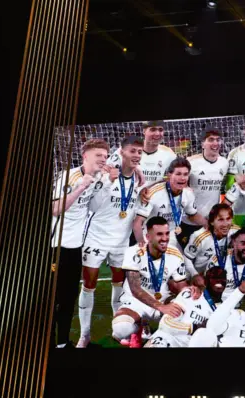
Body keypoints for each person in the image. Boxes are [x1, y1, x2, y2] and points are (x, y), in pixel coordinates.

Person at [76, 135, 145, 348]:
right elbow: (92, 207)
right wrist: (108, 182)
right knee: (89, 285)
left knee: (118, 285)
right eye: (132, 151)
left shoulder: (140, 181)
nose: (136, 155)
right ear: (121, 152)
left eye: (139, 152)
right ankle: (84, 335)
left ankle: (118, 329)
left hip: (121, 242)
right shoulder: (105, 174)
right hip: (96, 237)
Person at [51, 139, 110, 348]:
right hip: (56, 248)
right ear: (85, 156)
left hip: (75, 247)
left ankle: (63, 343)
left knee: (69, 298)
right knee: (53, 300)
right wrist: (80, 187)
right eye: (98, 155)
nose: (103, 159)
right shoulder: (69, 176)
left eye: (105, 156)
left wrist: (103, 185)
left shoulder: (97, 178)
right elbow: (56, 209)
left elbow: (93, 207)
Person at [112, 217, 196, 346]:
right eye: (159, 234)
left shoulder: (175, 254)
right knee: (121, 329)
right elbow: (136, 290)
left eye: (167, 233)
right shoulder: (133, 253)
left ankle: (156, 338)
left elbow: (181, 286)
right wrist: (161, 307)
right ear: (148, 237)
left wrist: (189, 291)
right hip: (136, 302)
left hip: (163, 300)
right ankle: (140, 326)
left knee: (184, 316)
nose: (165, 238)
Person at [134, 157, 207, 249]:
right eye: (178, 174)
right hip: (151, 235)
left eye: (185, 174)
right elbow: (137, 222)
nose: (182, 178)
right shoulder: (153, 193)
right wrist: (142, 244)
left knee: (183, 262)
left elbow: (193, 215)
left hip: (171, 235)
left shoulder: (188, 193)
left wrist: (208, 224)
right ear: (169, 175)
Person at [145, 266, 226, 348]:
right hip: (167, 339)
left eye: (223, 278)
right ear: (206, 281)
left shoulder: (223, 310)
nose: (219, 281)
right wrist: (194, 328)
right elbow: (165, 323)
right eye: (214, 277)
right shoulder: (189, 294)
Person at [182, 127, 229, 246]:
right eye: (211, 140)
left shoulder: (224, 163)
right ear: (203, 144)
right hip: (190, 221)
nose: (215, 143)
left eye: (218, 140)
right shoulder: (191, 162)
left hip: (211, 221)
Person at [205, 228, 245, 303]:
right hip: (217, 303)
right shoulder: (218, 260)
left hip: (242, 306)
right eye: (243, 243)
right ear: (233, 242)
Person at [108, 120, 176, 184]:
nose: (157, 133)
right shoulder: (125, 150)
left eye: (160, 130)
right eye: (153, 129)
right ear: (144, 131)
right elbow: (107, 168)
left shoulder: (169, 155)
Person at [184, 204, 239, 279]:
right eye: (221, 220)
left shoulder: (236, 232)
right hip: (201, 276)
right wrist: (195, 275)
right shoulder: (199, 236)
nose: (225, 224)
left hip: (224, 274)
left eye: (228, 219)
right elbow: (187, 258)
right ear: (212, 222)